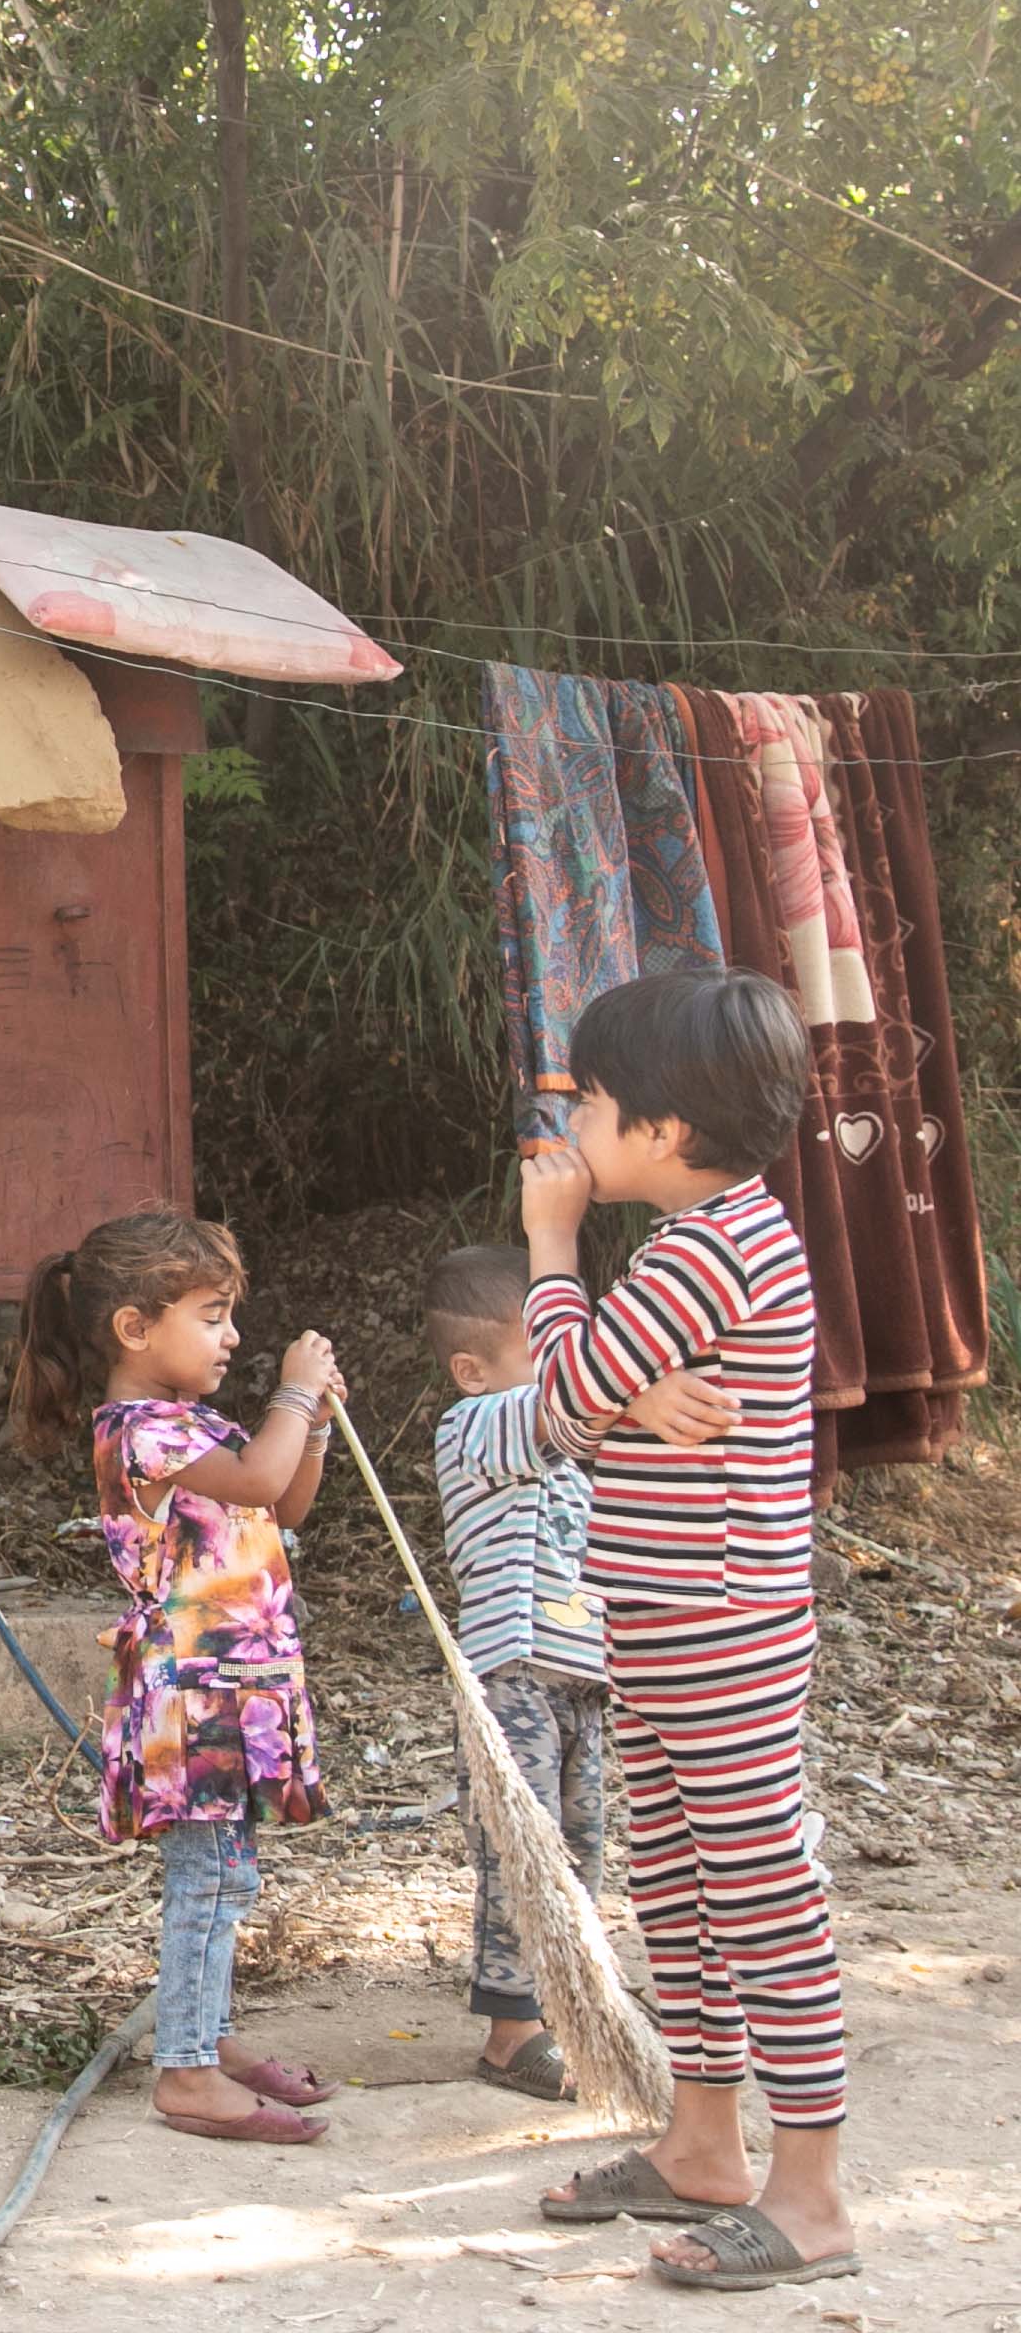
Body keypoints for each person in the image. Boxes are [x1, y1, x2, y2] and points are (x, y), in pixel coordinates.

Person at [517, 966, 855, 2293]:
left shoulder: (708, 1251)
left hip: (713, 1623)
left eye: (592, 1106)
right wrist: (624, 1388)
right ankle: (706, 2147)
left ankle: (813, 2195)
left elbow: (557, 1401)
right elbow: (606, 1391)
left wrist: (551, 1247)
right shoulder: (721, 1241)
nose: (574, 1134)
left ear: (661, 1134)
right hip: (673, 1618)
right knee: (681, 1887)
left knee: (762, 1894)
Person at [11, 1212, 342, 2145]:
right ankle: (187, 2072)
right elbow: (256, 1476)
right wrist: (292, 1393)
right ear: (134, 1329)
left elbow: (283, 1494)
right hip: (193, 1694)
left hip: (238, 1684)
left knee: (230, 1876)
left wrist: (308, 1420)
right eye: (212, 1315)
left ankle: (212, 2036)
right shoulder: (139, 1431)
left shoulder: (194, 1423)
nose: (231, 1336)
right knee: (205, 1882)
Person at [425, 1240, 615, 2100]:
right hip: (513, 1678)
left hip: (578, 1680)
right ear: (473, 1369)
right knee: (522, 1852)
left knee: (578, 1846)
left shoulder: (569, 1450)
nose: (570, 1371)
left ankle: (571, 2009)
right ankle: (512, 2030)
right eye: (549, 1350)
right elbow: (571, 1410)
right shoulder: (476, 1426)